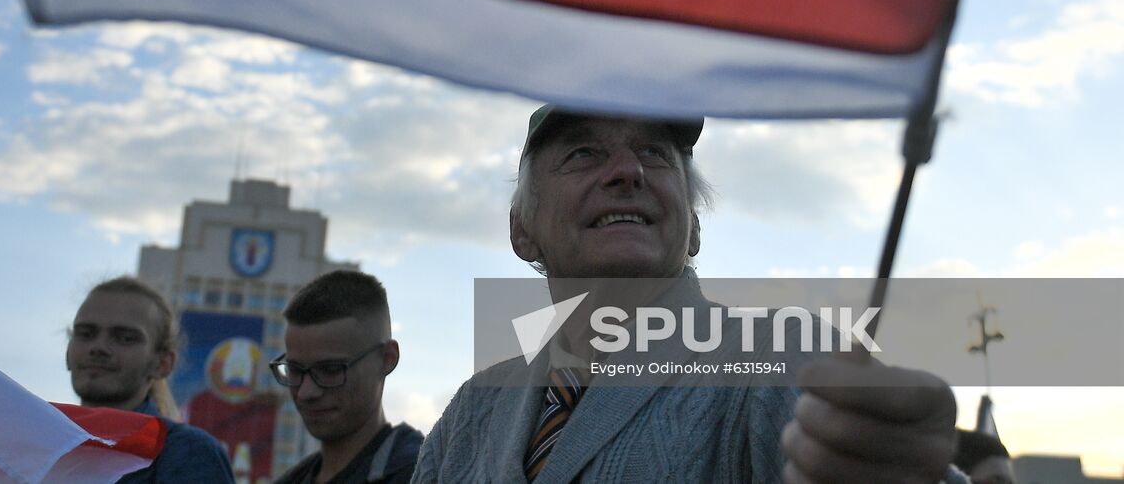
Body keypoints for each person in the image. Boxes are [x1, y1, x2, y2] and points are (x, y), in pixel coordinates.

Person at [413, 105, 965, 483]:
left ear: (693, 228)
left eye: (655, 153)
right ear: (521, 230)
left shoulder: (782, 354)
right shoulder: (472, 407)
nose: (627, 171)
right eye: (582, 152)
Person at [66, 276, 234, 484]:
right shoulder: (37, 441)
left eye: (125, 338)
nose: (98, 347)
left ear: (162, 364)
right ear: (67, 352)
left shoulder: (188, 454)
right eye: (85, 333)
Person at [271, 271, 422, 484]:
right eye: (295, 370)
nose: (305, 392)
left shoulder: (424, 475)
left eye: (330, 370)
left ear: (387, 359)